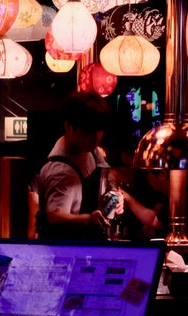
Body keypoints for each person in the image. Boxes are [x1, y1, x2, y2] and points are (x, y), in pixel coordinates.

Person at [35, 90, 125, 240]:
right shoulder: (60, 171)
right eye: (89, 130)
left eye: (99, 129)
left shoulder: (91, 150)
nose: (96, 136)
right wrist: (87, 220)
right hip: (64, 252)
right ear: (69, 126)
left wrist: (115, 193)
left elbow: (107, 175)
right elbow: (54, 217)